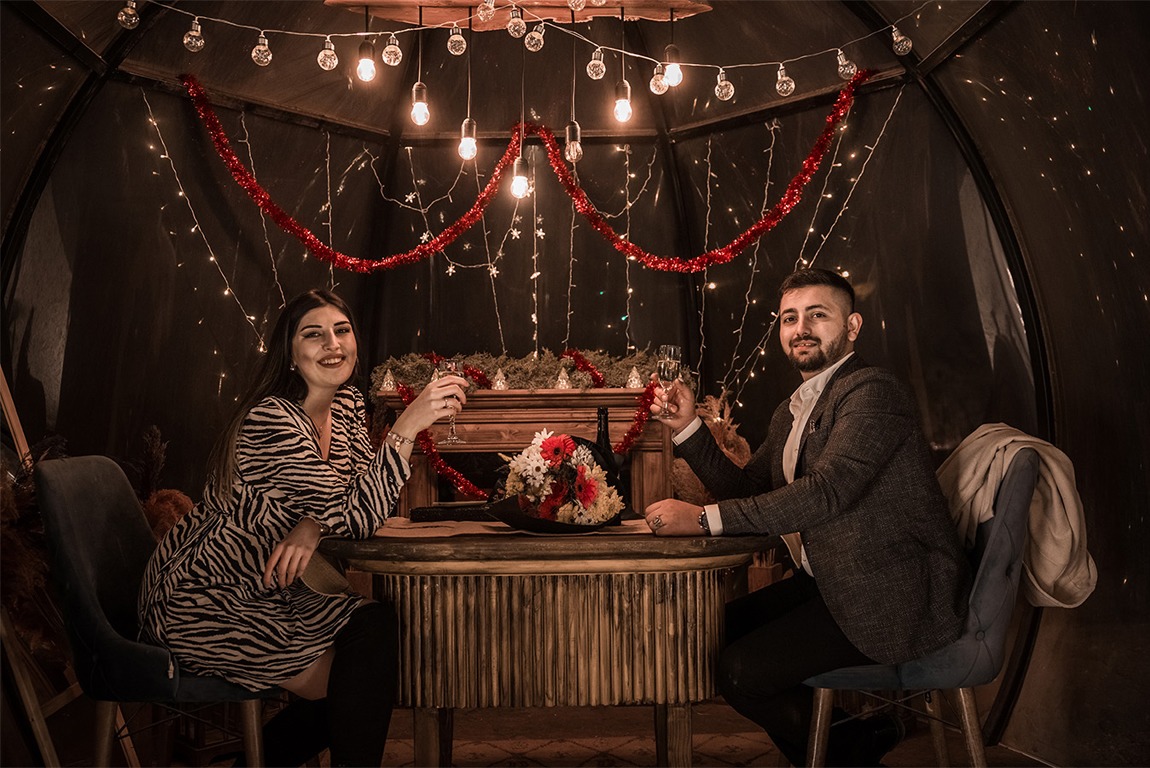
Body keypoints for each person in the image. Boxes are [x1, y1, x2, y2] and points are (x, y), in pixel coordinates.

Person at [643, 268, 970, 766]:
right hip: (833, 581)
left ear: (853, 327)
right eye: (790, 318)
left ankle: (852, 747)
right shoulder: (793, 410)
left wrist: (704, 519)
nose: (801, 329)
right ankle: (858, 743)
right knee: (711, 631)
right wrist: (689, 426)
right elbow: (752, 487)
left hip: (890, 592)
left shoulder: (872, 393)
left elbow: (825, 493)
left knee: (741, 671)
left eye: (818, 315)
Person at [137, 289, 467, 767]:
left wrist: (313, 525)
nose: (333, 344)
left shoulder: (349, 406)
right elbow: (354, 514)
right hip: (201, 595)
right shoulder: (271, 419)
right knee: (362, 682)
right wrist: (406, 427)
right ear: (290, 355)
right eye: (313, 335)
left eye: (342, 330)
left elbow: (349, 503)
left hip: (265, 588)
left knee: (372, 635)